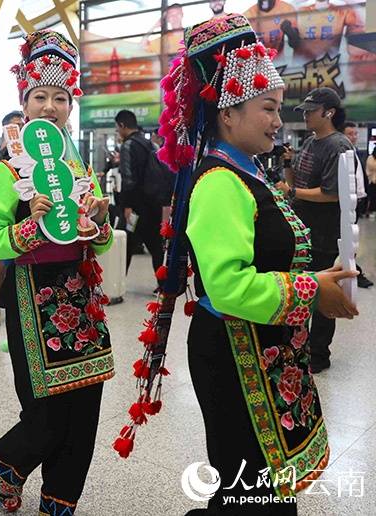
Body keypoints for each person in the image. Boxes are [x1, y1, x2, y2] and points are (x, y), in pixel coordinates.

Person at [154, 15, 358, 514]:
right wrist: (312, 291)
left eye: (279, 108)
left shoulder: (250, 173)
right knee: (249, 490)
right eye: (268, 108)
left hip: (260, 351)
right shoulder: (221, 182)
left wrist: (319, 279)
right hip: (233, 356)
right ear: (228, 113)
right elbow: (227, 286)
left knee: (258, 489)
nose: (276, 120)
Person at [0, 30, 114, 515]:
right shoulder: (6, 172)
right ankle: (5, 461)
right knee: (48, 410)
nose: (51, 106)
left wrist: (98, 222)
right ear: (25, 102)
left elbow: (102, 238)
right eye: (41, 96)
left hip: (82, 296)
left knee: (86, 405)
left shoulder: (79, 168)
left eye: (61, 97)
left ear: (71, 107)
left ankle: (60, 501)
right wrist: (30, 227)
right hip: (31, 295)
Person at [285, 87, 358, 372]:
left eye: (310, 110)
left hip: (325, 231)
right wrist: (289, 165)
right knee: (304, 286)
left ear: (328, 112)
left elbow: (332, 193)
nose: (305, 115)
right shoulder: (312, 141)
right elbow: (298, 186)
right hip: (304, 227)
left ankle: (318, 354)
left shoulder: (339, 146)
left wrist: (292, 190)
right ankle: (301, 347)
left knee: (323, 292)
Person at [115, 109, 168, 282]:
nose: (118, 132)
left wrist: (127, 205)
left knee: (126, 245)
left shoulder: (128, 145)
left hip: (135, 207)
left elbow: (128, 178)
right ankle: (163, 286)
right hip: (153, 203)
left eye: (117, 128)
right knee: (155, 245)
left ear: (122, 125)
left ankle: (117, 285)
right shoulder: (150, 144)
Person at [0, 110, 25, 327]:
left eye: (22, 125)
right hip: (6, 222)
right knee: (1, 264)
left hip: (27, 217)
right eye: (14, 126)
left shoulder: (33, 152)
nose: (18, 129)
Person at [342, 122, 373, 289]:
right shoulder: (343, 153)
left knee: (353, 238)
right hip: (347, 202)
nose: (353, 137)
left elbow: (359, 178)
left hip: (358, 200)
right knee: (349, 240)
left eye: (355, 133)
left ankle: (353, 270)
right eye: (350, 134)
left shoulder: (355, 152)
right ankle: (355, 272)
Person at [367, 146, 376, 218]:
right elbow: (372, 166)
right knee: (372, 197)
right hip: (372, 181)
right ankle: (371, 211)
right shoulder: (371, 158)